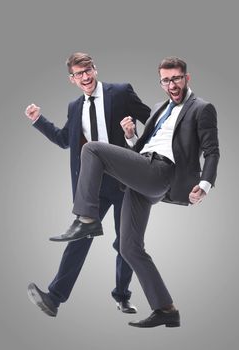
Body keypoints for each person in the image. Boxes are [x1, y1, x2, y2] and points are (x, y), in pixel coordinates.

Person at [50, 57, 220, 327]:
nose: (171, 84)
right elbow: (142, 147)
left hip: (163, 172)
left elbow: (212, 150)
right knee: (129, 247)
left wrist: (205, 184)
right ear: (161, 82)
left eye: (176, 78)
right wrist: (130, 136)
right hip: (143, 173)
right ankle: (166, 309)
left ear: (187, 78)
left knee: (92, 148)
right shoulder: (158, 108)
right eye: (166, 80)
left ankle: (85, 220)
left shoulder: (201, 108)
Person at [25, 52, 151, 317]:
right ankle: (54, 298)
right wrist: (38, 120)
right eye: (78, 74)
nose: (85, 77)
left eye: (88, 70)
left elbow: (152, 122)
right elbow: (63, 139)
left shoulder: (121, 92)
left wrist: (132, 136)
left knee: (125, 241)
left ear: (95, 68)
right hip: (95, 184)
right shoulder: (75, 107)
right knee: (80, 237)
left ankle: (122, 296)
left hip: (127, 180)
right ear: (72, 79)